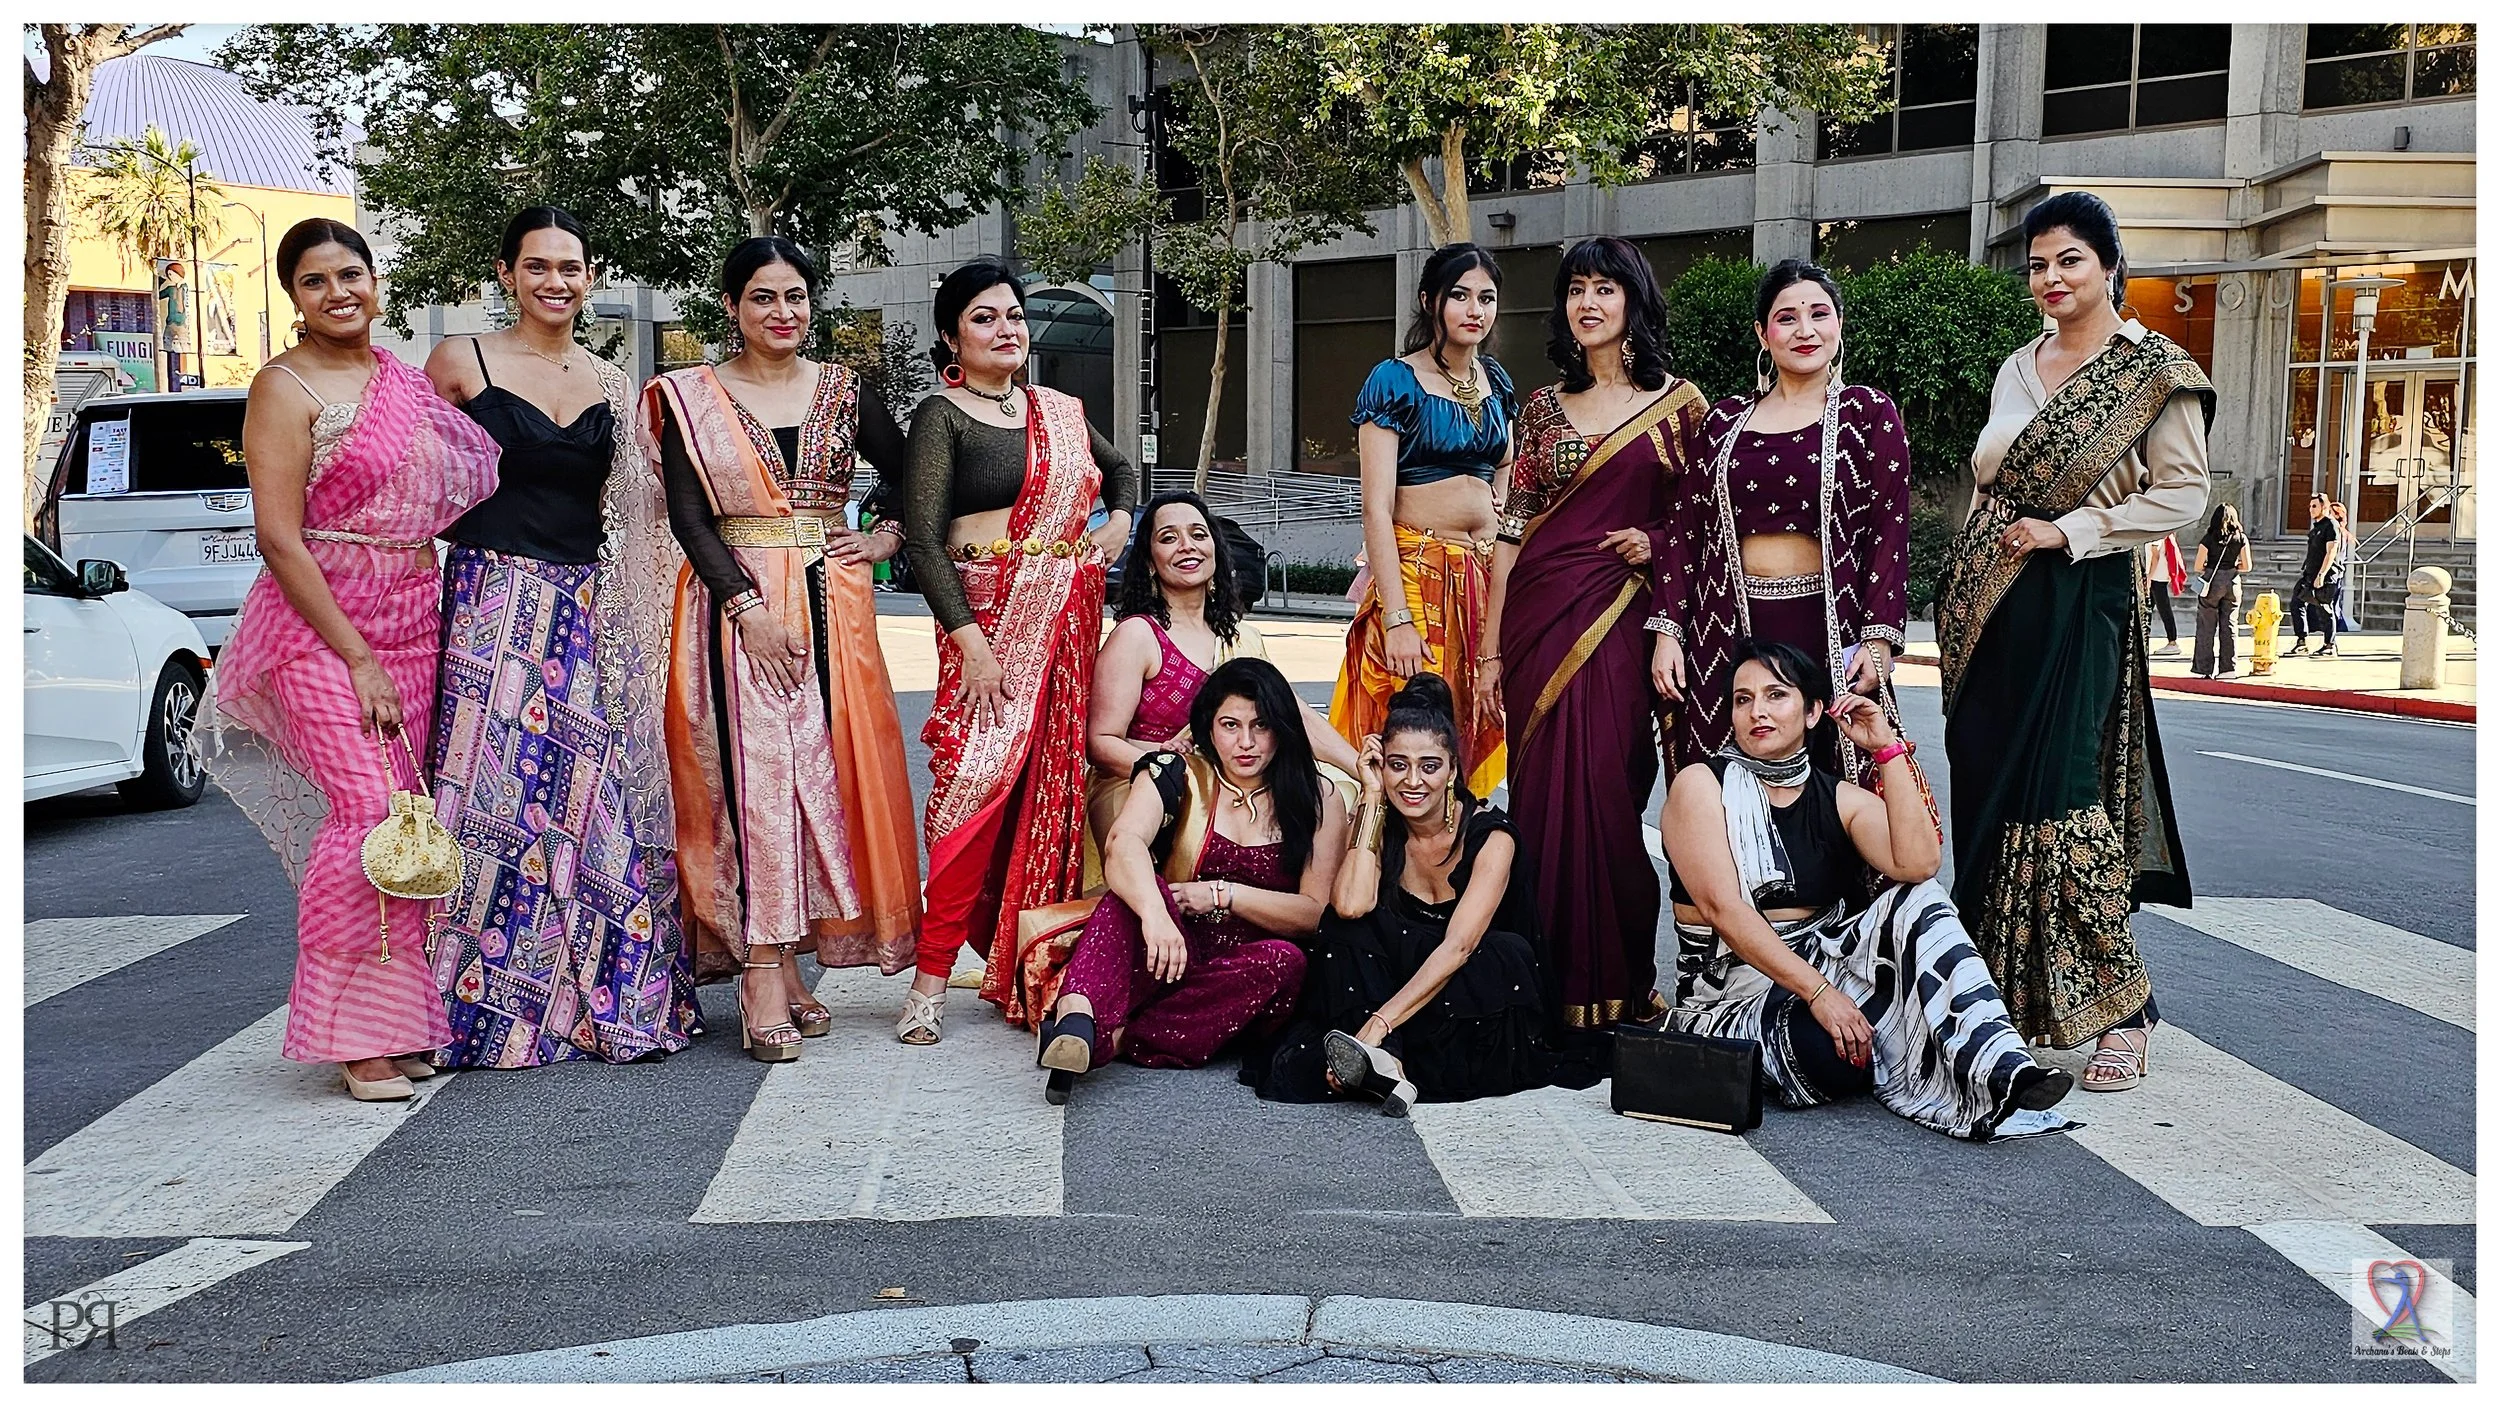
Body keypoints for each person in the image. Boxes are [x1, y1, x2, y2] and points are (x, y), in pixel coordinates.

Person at [207, 218, 501, 1101]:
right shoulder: (283, 386)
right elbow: (278, 538)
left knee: (408, 827)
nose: (338, 293)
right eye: (314, 281)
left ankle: (400, 1023)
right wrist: (357, 657)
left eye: (351, 275)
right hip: (323, 631)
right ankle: (354, 1037)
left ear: (376, 283)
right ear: (292, 296)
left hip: (415, 616)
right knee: (366, 818)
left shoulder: (403, 384)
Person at [1935, 190, 2211, 1092]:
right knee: (1985, 787)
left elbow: (2181, 497)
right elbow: (1991, 486)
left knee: (2063, 801)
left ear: (2109, 265)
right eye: (2038, 266)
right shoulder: (2019, 366)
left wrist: (2071, 533)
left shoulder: (2152, 371)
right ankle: (1998, 1008)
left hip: (2081, 601)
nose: (2051, 280)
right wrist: (1964, 587)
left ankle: (2124, 1012)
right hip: (1990, 605)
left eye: (2069, 262)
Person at [420, 205, 693, 1067]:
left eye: (571, 267)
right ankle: (477, 1009)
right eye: (537, 266)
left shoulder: (614, 382)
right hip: (486, 599)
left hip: (577, 607)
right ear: (507, 274)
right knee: (487, 798)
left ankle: (611, 1000)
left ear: (591, 276)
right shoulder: (460, 360)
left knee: (585, 791)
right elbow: (409, 478)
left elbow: (639, 516)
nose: (556, 282)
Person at [643, 235, 922, 1063]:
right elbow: (690, 517)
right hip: (736, 606)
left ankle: (793, 960)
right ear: (731, 307)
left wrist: (885, 539)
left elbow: (908, 469)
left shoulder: (843, 390)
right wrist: (746, 608)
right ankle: (762, 966)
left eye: (796, 296)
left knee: (822, 779)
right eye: (763, 297)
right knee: (752, 778)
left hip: (836, 604)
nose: (783, 312)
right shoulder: (691, 395)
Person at [1661, 641, 2075, 1140]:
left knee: (1920, 900)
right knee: (1827, 1057)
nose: (1758, 711)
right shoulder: (1699, 785)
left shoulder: (1836, 796)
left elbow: (1919, 862)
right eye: (1743, 699)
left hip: (1825, 962)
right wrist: (1821, 994)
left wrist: (1885, 749)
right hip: (1730, 991)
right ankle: (1896, 1039)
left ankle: (2004, 1069)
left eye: (1776, 695)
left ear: (1814, 712)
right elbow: (1722, 909)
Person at [1480, 236, 1705, 1037]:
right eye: (1576, 289)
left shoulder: (1682, 407)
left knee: (1610, 798)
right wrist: (1488, 650)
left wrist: (1656, 540)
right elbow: (1511, 533)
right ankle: (1545, 984)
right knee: (1541, 805)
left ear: (1633, 302)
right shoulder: (1540, 408)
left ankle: (1618, 985)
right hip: (1538, 617)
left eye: (1605, 288)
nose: (1589, 302)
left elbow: (1705, 522)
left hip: (1625, 623)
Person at [907, 256, 1137, 1040]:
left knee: (1049, 792)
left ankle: (1030, 957)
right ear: (952, 335)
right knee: (969, 794)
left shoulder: (1061, 411)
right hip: (985, 624)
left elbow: (1122, 472)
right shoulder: (943, 416)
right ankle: (930, 980)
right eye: (984, 317)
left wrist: (1118, 523)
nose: (1005, 329)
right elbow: (924, 542)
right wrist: (969, 641)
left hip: (1063, 622)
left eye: (1012, 315)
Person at [1248, 674, 1599, 1113]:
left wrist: (1377, 1025)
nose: (1412, 782)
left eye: (1429, 766)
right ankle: (1387, 1066)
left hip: (1466, 988)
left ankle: (1380, 1053)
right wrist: (1372, 799)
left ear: (1452, 768)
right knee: (1344, 928)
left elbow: (1459, 946)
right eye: (1398, 765)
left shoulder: (1493, 837)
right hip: (1403, 978)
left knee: (1500, 952)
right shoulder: (1381, 816)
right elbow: (1350, 905)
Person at [1034, 658, 1347, 1104]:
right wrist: (1156, 915)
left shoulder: (1318, 797)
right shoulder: (1174, 772)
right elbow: (1122, 845)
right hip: (1166, 946)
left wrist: (1223, 894)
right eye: (1230, 725)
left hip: (1241, 975)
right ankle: (1076, 1016)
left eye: (1261, 726)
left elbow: (1313, 914)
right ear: (1207, 726)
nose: (1246, 743)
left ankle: (1112, 1039)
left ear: (1282, 727)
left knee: (1287, 961)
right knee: (1137, 888)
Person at [1656, 259, 1914, 789]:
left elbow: (1889, 528)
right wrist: (1667, 632)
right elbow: (1684, 531)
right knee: (1723, 779)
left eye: (1820, 314)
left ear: (1839, 326)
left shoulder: (1868, 414)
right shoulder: (1724, 420)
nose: (1805, 330)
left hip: (1826, 624)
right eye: (1787, 317)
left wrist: (1880, 639)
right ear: (1761, 332)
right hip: (1725, 625)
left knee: (1833, 779)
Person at [1084, 490, 1361, 891]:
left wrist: (1363, 770)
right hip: (1150, 790)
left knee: (1335, 794)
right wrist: (1171, 768)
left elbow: (1292, 715)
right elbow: (1101, 743)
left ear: (1216, 549)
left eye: (1198, 534)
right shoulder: (1138, 636)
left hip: (1235, 780)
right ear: (1148, 560)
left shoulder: (1242, 636)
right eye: (1168, 538)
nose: (1186, 546)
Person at [1331, 243, 1515, 801]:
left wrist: (1497, 525)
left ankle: (1455, 864)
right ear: (1429, 301)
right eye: (1459, 295)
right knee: (1408, 731)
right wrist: (1396, 619)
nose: (1474, 310)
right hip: (1415, 574)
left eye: (1486, 298)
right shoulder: (1394, 381)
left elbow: (1505, 468)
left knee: (1467, 726)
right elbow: (1375, 508)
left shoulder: (1498, 382)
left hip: (1481, 579)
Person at [2192, 503, 2251, 678]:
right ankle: (2228, 669)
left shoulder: (2208, 538)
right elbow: (2247, 566)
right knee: (2230, 625)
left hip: (2211, 582)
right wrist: (2233, 567)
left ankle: (2204, 669)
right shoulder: (2241, 538)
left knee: (2206, 626)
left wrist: (2210, 568)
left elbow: (2197, 566)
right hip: (2232, 582)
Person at [2286, 492, 2342, 657]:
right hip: (2309, 574)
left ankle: (2329, 644)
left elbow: (2331, 551)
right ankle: (2302, 640)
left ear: (2324, 507)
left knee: (2324, 608)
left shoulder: (2331, 525)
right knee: (2297, 603)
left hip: (2326, 575)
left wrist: (2322, 574)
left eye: (2314, 506)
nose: (2311, 509)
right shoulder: (2317, 527)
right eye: (2310, 506)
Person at [2145, 536, 2184, 652]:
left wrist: (2149, 577)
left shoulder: (2156, 536)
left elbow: (2155, 557)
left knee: (2163, 608)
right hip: (2158, 576)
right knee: (2148, 608)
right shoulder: (2160, 534)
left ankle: (2172, 641)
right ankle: (2145, 637)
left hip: (2157, 577)